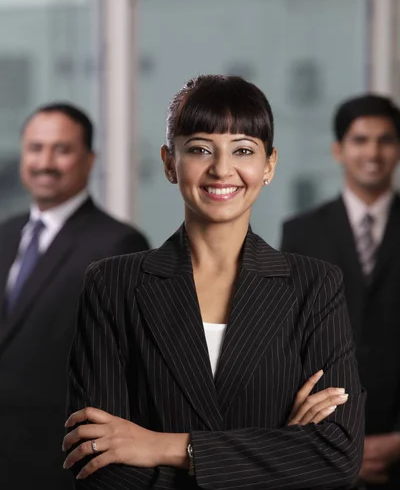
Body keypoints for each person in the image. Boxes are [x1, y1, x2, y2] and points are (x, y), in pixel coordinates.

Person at [64, 75, 364, 490]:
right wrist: (280, 450)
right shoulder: (113, 285)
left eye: (243, 150)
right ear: (170, 163)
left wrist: (163, 446)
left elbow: (338, 456)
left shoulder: (314, 286)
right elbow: (98, 465)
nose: (222, 169)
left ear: (269, 165)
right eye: (200, 149)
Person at [0, 103, 150, 490]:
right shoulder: (5, 234)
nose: (45, 162)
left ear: (89, 160)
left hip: (58, 461)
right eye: (35, 148)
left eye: (61, 150)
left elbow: (124, 366)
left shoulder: (118, 244)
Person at [281, 95, 400, 489]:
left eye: (385, 140)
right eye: (360, 140)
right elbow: (290, 342)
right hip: (324, 445)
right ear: (338, 150)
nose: (373, 152)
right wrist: (337, 439)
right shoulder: (300, 233)